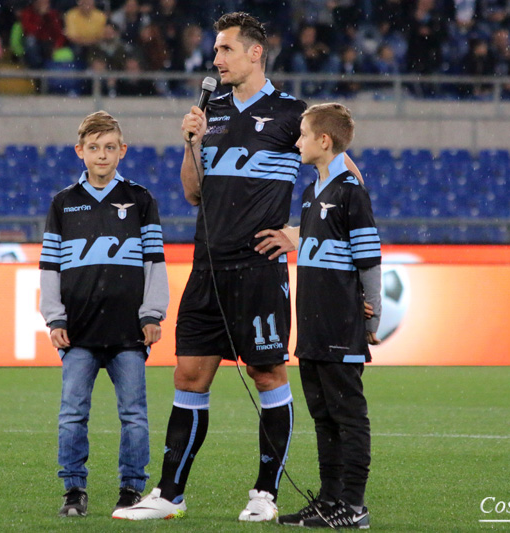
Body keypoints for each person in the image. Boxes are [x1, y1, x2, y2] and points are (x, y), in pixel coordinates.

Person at [113, 10, 366, 523]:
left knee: (267, 373)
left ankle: (265, 494)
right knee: (188, 375)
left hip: (259, 270)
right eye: (215, 50)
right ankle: (169, 493)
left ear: (255, 53)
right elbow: (191, 192)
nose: (216, 59)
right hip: (207, 264)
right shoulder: (213, 112)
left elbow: (348, 183)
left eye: (225, 49)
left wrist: (296, 234)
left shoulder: (293, 113)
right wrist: (191, 142)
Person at [39, 110, 170, 518]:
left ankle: (131, 490)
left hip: (128, 331)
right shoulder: (63, 203)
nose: (102, 155)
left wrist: (153, 314)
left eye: (109, 147)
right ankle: (73, 491)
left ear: (122, 151)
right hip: (77, 331)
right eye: (93, 148)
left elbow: (155, 263)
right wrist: (54, 317)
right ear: (80, 151)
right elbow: (49, 267)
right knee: (72, 413)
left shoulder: (141, 200)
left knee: (134, 415)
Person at [273, 103, 381, 529]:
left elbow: (369, 260)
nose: (297, 141)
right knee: (323, 417)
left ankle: (354, 506)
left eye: (302, 134)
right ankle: (330, 500)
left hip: (340, 325)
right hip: (313, 325)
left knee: (348, 416)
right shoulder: (310, 193)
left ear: (324, 140)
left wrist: (371, 321)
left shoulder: (351, 193)